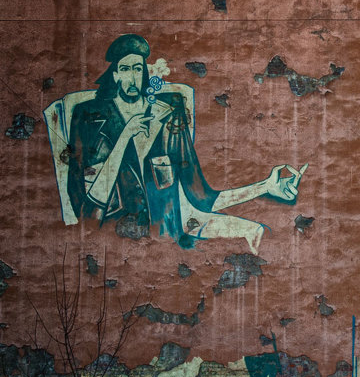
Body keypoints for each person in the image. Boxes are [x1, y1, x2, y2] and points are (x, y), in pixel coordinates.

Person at [66, 33, 307, 251]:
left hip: (166, 243)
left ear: (145, 73)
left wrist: (265, 186)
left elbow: (201, 197)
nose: (132, 77)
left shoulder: (167, 117)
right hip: (115, 248)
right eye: (125, 69)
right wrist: (125, 136)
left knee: (256, 231)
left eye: (138, 69)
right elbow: (88, 204)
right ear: (115, 74)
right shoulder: (89, 118)